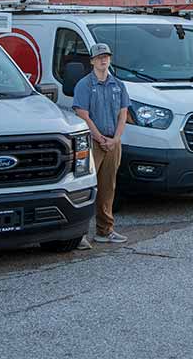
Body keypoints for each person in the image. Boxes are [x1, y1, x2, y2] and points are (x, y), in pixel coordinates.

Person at [73, 43, 130, 244]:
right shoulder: (84, 85)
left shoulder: (119, 85)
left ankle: (105, 230)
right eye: (98, 57)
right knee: (86, 188)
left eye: (105, 56)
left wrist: (115, 139)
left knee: (108, 188)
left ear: (110, 59)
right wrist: (100, 138)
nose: (103, 60)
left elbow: (123, 115)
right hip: (92, 143)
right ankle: (78, 234)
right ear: (91, 61)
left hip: (113, 143)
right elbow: (83, 115)